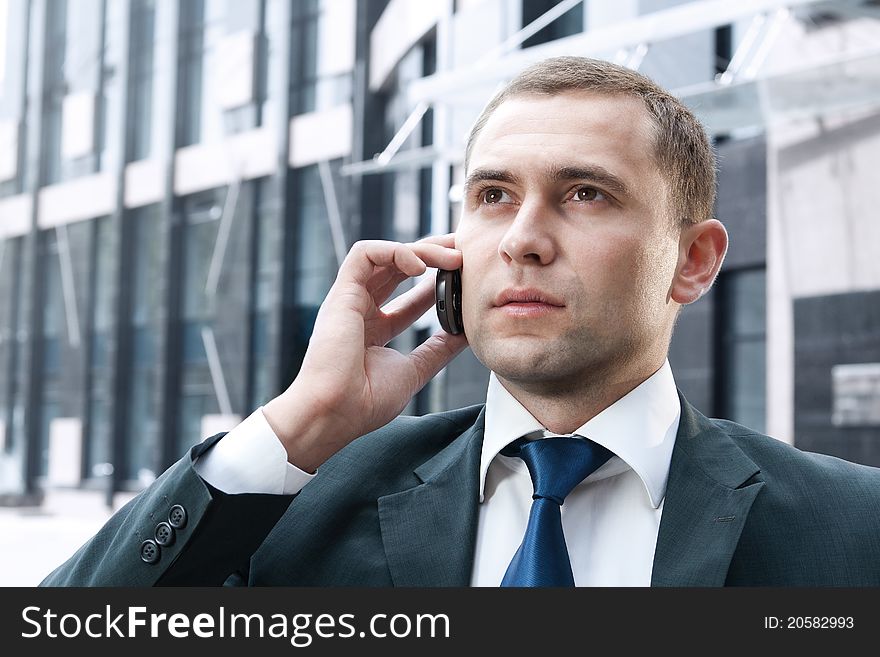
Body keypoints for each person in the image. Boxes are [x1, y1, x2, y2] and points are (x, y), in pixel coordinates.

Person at [42, 56, 880, 587]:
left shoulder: (851, 528)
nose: (522, 238)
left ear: (693, 260)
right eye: (493, 196)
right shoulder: (291, 505)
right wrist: (303, 422)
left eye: (584, 192)